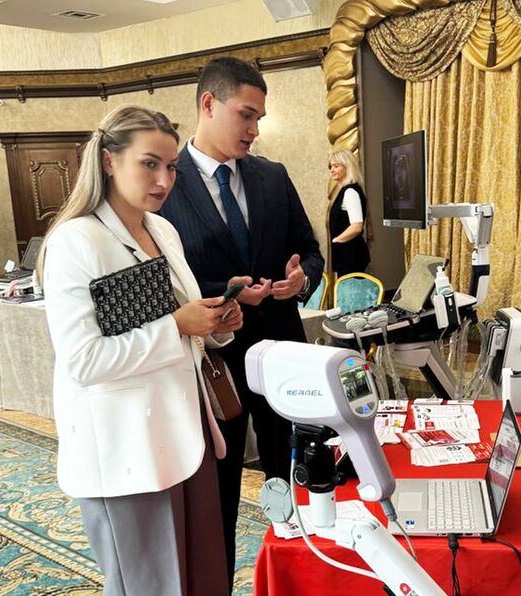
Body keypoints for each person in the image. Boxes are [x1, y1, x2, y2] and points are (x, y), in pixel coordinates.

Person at [40, 105, 244, 596]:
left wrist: (214, 324)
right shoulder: (76, 240)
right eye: (149, 164)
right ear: (109, 160)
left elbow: (180, 320)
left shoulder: (162, 230)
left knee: (202, 576)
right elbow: (85, 361)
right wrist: (177, 325)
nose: (163, 180)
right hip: (125, 446)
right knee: (149, 584)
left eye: (171, 167)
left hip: (186, 431)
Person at [158, 56, 324, 582]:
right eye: (246, 116)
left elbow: (310, 251)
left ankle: (296, 579)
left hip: (281, 354)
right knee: (219, 491)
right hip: (214, 362)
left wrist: (301, 280)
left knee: (293, 480)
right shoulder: (165, 184)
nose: (255, 130)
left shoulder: (273, 176)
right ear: (209, 104)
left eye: (259, 119)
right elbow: (164, 281)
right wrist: (227, 294)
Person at [328, 149, 371, 276]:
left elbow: (356, 227)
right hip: (346, 255)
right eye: (331, 166)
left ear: (347, 167)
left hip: (351, 256)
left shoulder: (350, 192)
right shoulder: (346, 190)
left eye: (336, 166)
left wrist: (336, 240)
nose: (332, 170)